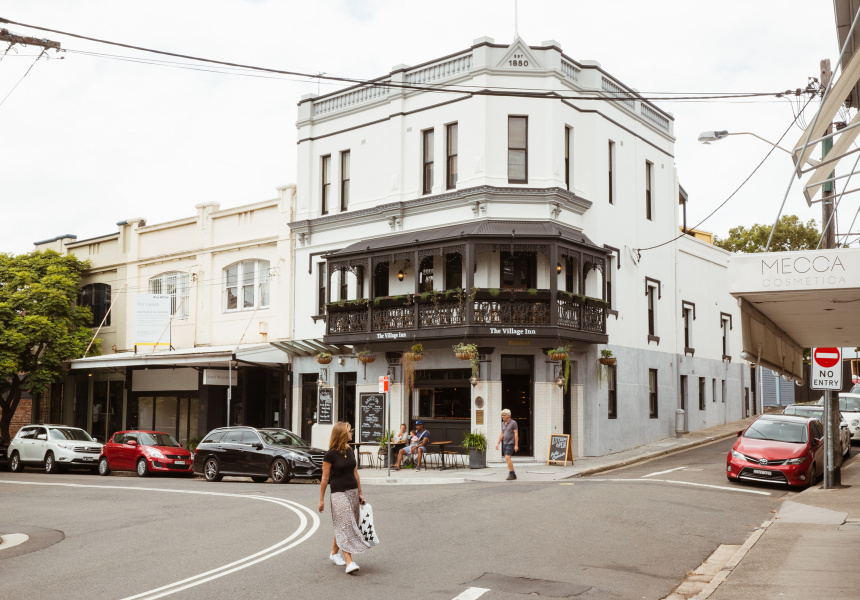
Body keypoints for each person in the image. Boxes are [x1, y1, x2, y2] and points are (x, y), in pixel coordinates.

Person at [319, 422, 370, 574]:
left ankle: (334, 553)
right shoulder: (330, 455)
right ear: (341, 434)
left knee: (344, 523)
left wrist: (360, 492)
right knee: (346, 523)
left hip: (353, 492)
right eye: (349, 431)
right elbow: (324, 478)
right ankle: (349, 562)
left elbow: (355, 473)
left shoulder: (350, 450)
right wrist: (321, 499)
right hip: (338, 493)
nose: (351, 433)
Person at [495, 408, 518, 480]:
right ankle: (511, 472)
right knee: (508, 458)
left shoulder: (513, 423)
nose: (502, 416)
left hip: (511, 442)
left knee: (507, 457)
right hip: (505, 442)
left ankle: (512, 473)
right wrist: (498, 443)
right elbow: (502, 433)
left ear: (508, 415)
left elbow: (516, 434)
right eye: (502, 415)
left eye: (503, 415)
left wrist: (516, 445)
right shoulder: (503, 423)